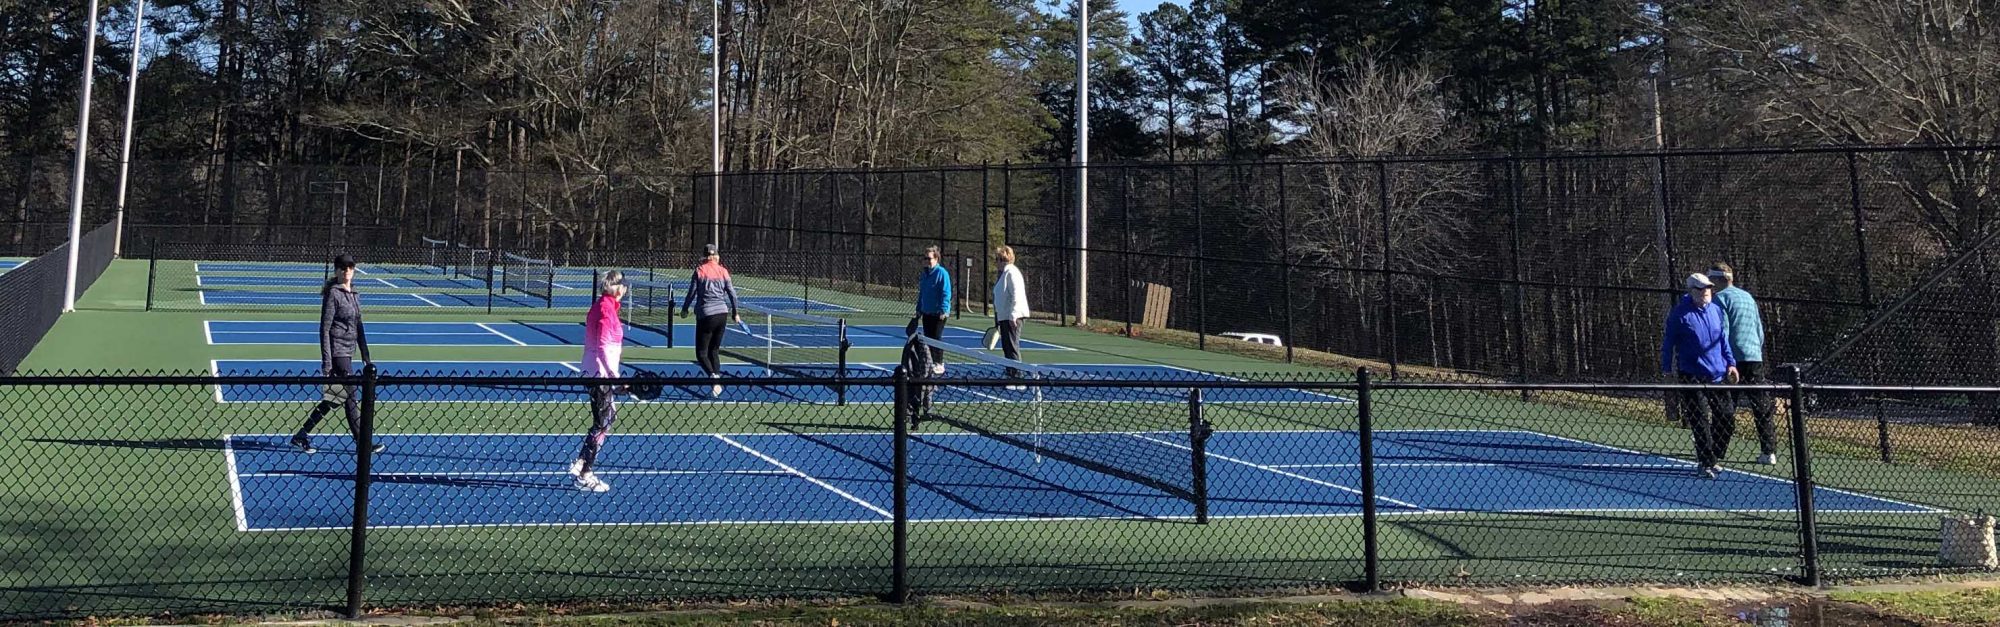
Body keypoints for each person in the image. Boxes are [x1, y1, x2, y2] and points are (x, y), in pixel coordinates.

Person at [291, 254, 384, 455]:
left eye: (350, 267)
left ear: (354, 269)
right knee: (350, 397)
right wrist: (327, 363)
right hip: (337, 353)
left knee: (333, 399)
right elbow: (324, 329)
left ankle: (300, 435)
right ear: (336, 271)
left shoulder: (355, 294)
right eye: (343, 268)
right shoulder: (333, 294)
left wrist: (366, 357)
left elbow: (359, 326)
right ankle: (363, 443)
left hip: (348, 352)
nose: (347, 271)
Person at [1660, 272, 1740, 479]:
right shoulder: (1679, 314)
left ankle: (1712, 453)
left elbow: (1722, 339)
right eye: (1701, 288)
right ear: (1691, 290)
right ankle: (1706, 462)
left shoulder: (1716, 310)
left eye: (1708, 288)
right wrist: (1666, 369)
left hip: (1717, 374)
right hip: (1691, 375)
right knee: (1700, 418)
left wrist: (1731, 363)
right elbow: (1668, 343)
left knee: (1727, 416)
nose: (1706, 292)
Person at [1710, 262, 1778, 466]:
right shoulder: (1747, 297)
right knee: (1761, 406)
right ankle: (1769, 451)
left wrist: (1725, 360)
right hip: (1754, 357)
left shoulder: (1720, 299)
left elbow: (1724, 331)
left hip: (1733, 360)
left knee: (1725, 407)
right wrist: (1755, 350)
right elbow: (1759, 330)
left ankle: (1717, 451)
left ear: (1716, 280)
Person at [568, 272, 627, 493]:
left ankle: (582, 462)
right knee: (604, 421)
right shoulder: (605, 309)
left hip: (600, 372)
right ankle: (585, 473)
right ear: (618, 289)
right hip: (599, 374)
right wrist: (615, 377)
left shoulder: (607, 307)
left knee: (607, 418)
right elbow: (603, 346)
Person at [680, 244, 740, 398]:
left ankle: (713, 378)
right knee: (714, 351)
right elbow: (732, 294)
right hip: (722, 314)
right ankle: (716, 379)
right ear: (716, 256)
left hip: (706, 314)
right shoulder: (723, 271)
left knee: (701, 353)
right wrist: (735, 312)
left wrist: (685, 309)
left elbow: (692, 292)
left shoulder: (700, 271)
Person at [990, 246, 1030, 389]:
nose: (998, 262)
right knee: (1007, 346)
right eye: (998, 259)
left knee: (1012, 346)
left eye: (1001, 259)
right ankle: (1011, 374)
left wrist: (1013, 315)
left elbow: (1017, 295)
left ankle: (1018, 378)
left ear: (1007, 259)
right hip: (1004, 316)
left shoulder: (1012, 272)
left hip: (1013, 316)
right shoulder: (1002, 274)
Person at [916, 246, 953, 374]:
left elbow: (946, 292)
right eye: (925, 258)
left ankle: (939, 363)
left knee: (936, 337)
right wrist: (919, 308)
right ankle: (931, 362)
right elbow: (922, 293)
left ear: (936, 259)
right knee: (928, 338)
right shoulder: (924, 274)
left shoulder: (942, 273)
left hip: (939, 313)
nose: (927, 260)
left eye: (929, 258)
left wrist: (943, 310)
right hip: (927, 312)